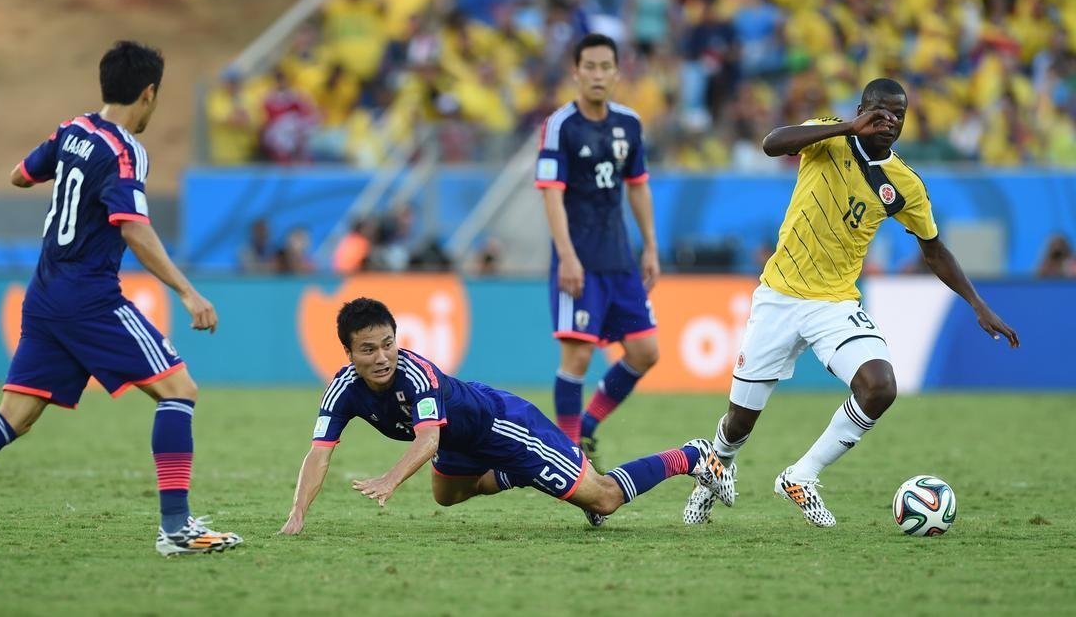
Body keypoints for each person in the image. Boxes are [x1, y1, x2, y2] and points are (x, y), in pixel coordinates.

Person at [0, 41, 242, 556]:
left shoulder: (72, 130)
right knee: (180, 390)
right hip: (90, 297)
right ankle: (175, 528)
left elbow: (20, 175)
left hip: (43, 296)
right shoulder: (126, 150)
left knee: (13, 415)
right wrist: (189, 292)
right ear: (148, 93)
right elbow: (134, 229)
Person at [684, 78, 1020, 528]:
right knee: (739, 423)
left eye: (898, 114)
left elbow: (934, 248)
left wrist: (977, 303)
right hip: (779, 297)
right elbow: (771, 144)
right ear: (862, 109)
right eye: (879, 111)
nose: (889, 120)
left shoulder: (905, 184)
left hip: (835, 304)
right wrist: (847, 127)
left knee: (880, 386)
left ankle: (801, 476)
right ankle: (715, 469)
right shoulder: (827, 136)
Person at [279, 297, 735, 535]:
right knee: (447, 495)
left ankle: (690, 457)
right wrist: (298, 512)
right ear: (348, 353)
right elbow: (318, 453)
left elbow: (427, 442)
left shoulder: (415, 376)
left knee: (604, 500)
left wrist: (389, 479)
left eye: (387, 344)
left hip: (504, 426)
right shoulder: (342, 389)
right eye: (368, 349)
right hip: (462, 441)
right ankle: (534, 475)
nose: (381, 357)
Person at [535, 33, 661, 471]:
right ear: (576, 71)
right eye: (589, 66)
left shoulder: (629, 124)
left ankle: (586, 425)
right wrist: (567, 256)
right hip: (580, 261)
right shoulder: (561, 126)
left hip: (620, 260)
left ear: (616, 72)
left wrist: (650, 246)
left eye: (605, 66)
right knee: (578, 356)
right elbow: (551, 194)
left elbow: (638, 186)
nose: (597, 74)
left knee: (646, 351)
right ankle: (570, 460)